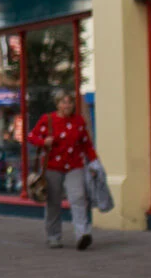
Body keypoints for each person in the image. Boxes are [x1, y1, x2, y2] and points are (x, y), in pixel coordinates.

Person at [28, 91, 99, 250]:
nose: (67, 106)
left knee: (79, 198)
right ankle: (53, 235)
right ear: (57, 104)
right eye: (63, 102)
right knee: (53, 201)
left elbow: (86, 144)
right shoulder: (48, 120)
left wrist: (94, 162)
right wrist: (43, 141)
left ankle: (82, 234)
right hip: (53, 167)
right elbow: (31, 136)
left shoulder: (78, 121)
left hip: (75, 166)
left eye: (69, 103)